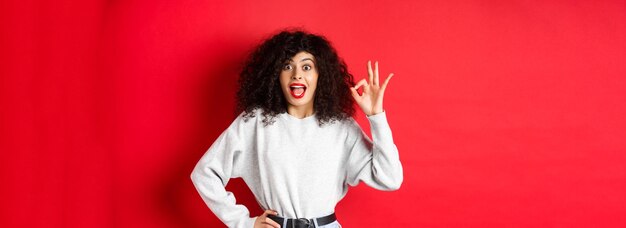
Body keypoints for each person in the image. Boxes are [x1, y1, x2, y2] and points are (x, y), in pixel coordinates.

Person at [191, 29, 403, 228]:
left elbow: (390, 178)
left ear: (321, 75)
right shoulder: (255, 122)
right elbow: (204, 173)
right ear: (276, 76)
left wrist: (376, 117)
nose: (297, 75)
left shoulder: (341, 127)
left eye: (307, 67)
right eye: (287, 66)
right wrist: (244, 222)